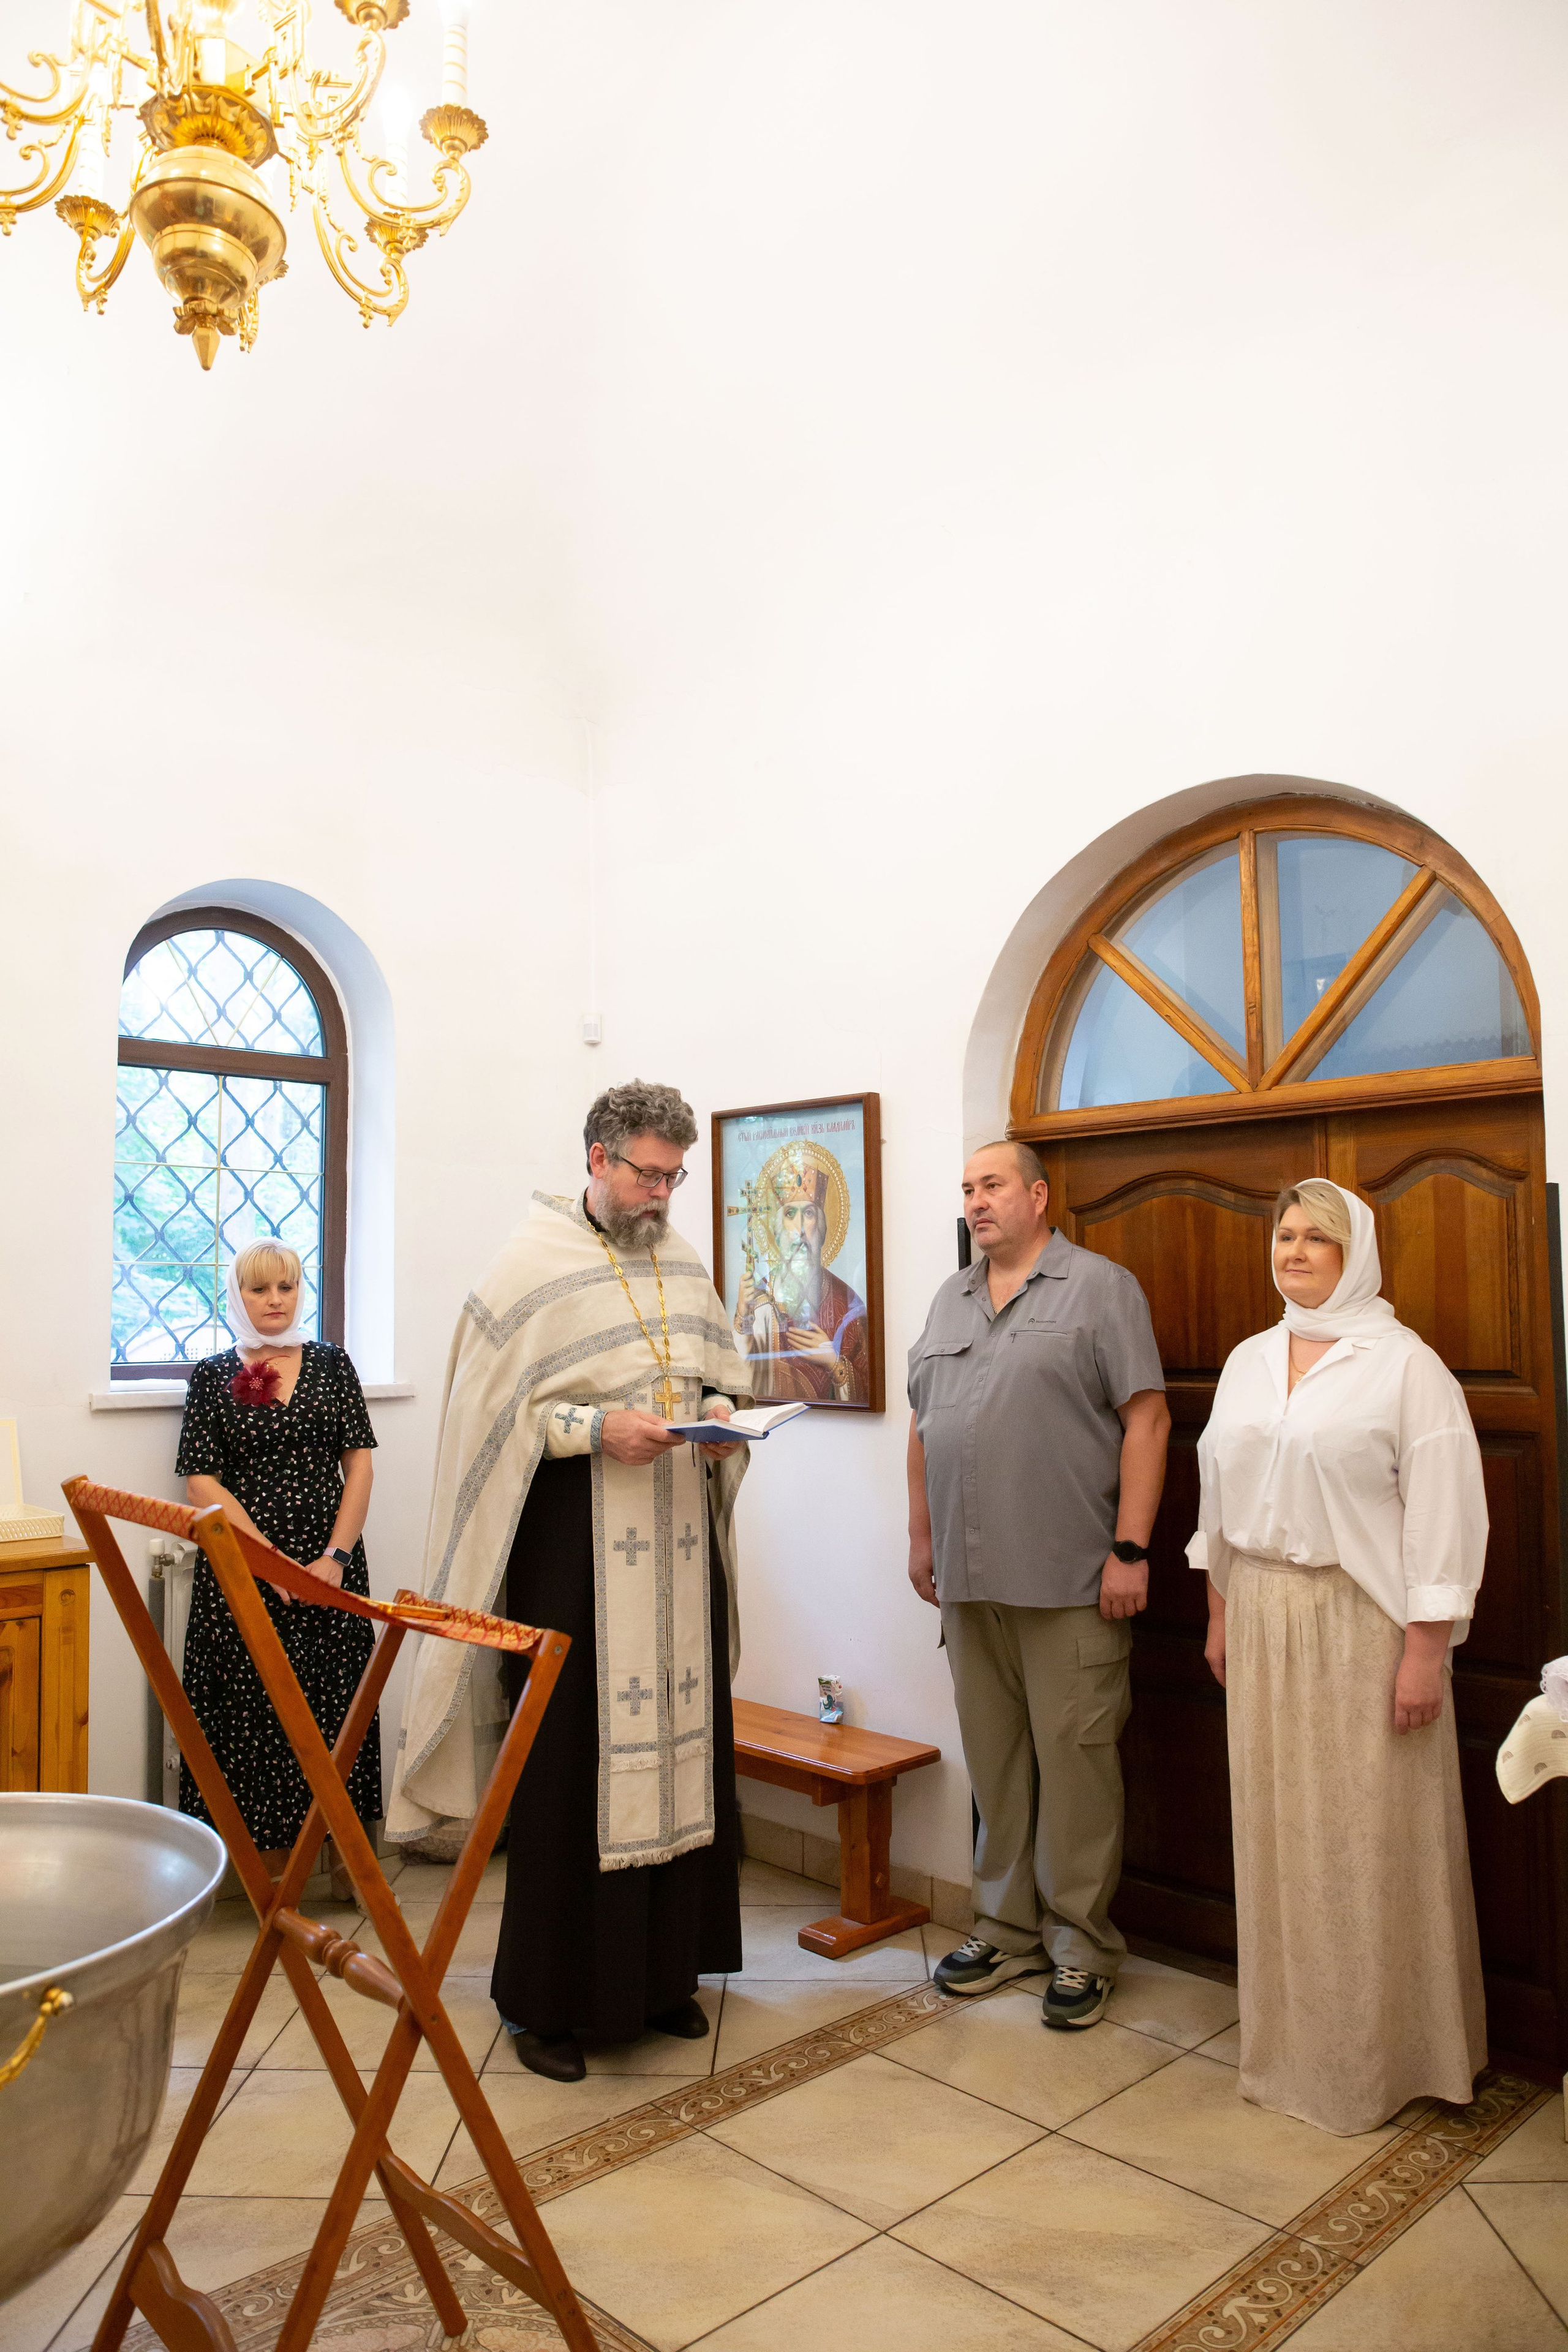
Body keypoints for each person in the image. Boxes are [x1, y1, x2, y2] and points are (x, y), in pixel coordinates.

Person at [388, 1081, 753, 2082]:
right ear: (597, 1158)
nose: (662, 1194)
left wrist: (719, 1411)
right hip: (572, 1558)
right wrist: (597, 1429)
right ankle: (544, 2003)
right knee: (566, 1770)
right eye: (647, 1172)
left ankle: (664, 1978)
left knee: (685, 1754)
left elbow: (720, 1368)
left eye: (674, 1177)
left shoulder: (679, 1260)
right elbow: (492, 1428)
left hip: (677, 1550)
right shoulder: (526, 1268)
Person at [1191, 1178, 1488, 2134]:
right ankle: (1292, 2048)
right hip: (1264, 1613)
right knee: (1280, 1835)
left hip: (1364, 1625)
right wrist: (1220, 1612)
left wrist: (1425, 1656)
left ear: (1354, 1251)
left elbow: (1445, 1518)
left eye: (1318, 1238)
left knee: (1367, 1842)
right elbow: (1218, 1502)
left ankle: (1385, 2059)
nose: (1296, 1252)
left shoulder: (1407, 1369)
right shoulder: (1247, 1360)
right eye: (1285, 1236)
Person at [908, 1140, 1169, 2029]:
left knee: (1078, 1764)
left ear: (1038, 1196)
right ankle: (1005, 1928)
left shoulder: (1100, 1288)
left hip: (1068, 1580)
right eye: (968, 1188)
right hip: (970, 1582)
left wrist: (1130, 1550)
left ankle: (1082, 1945)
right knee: (999, 1765)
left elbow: (1148, 1417)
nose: (977, 1202)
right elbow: (923, 1423)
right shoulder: (951, 1298)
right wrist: (920, 1536)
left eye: (992, 1186)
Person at [176, 1241, 380, 1899]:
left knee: (337, 1712)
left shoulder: (331, 1364)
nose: (275, 1301)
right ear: (237, 1295)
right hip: (243, 1571)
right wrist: (268, 1565)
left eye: (286, 1288)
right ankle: (263, 1883)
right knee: (250, 1711)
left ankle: (349, 1868)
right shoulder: (211, 1376)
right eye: (260, 1289)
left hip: (331, 1572)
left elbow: (360, 1465)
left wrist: (334, 1559)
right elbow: (200, 1481)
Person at [734, 1148, 870, 1404]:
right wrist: (744, 1317)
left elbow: (870, 1392)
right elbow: (740, 1387)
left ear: (820, 1227)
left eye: (809, 1213)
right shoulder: (759, 1300)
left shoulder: (848, 1304)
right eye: (790, 1214)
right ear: (777, 1230)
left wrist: (834, 1363)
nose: (799, 1230)